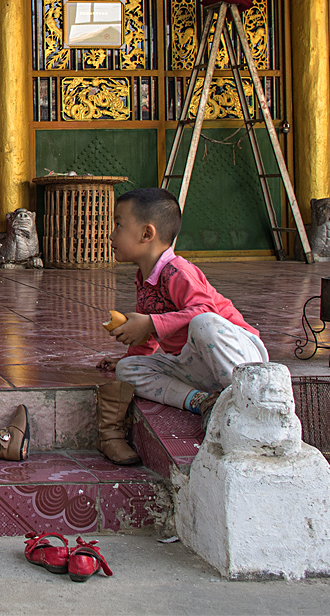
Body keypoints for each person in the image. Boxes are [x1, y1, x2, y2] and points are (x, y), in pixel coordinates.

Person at [96, 187, 267, 465]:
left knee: (203, 322)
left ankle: (244, 399)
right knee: (129, 371)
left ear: (146, 233)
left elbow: (207, 311)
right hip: (197, 366)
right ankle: (203, 402)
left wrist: (151, 323)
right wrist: (128, 355)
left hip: (239, 358)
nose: (111, 234)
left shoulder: (177, 271)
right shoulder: (145, 278)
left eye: (118, 224)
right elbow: (149, 340)